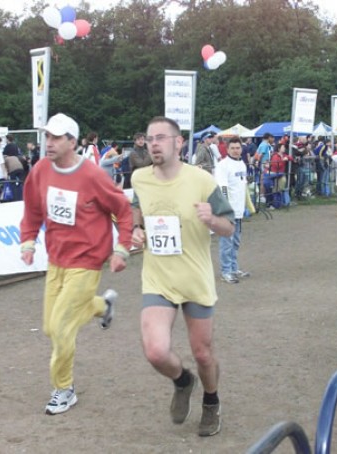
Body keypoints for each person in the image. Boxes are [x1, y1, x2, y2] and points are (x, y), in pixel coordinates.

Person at [20, 113, 132, 416]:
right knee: (49, 326)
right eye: (47, 136)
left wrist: (122, 249)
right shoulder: (41, 170)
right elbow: (32, 209)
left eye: (56, 138)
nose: (49, 143)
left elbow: (123, 209)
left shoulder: (92, 175)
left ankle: (64, 388)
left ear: (72, 142)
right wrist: (28, 241)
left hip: (87, 261)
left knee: (61, 327)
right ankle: (102, 306)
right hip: (56, 259)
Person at [130, 116, 234, 437]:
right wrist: (136, 228)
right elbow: (137, 208)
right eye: (150, 139)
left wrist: (212, 220)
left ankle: (211, 401)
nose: (154, 144)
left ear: (179, 142)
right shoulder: (139, 178)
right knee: (155, 351)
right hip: (158, 279)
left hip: (194, 279)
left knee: (203, 353)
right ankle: (183, 380)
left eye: (161, 138)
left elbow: (229, 227)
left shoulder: (201, 180)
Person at [215, 136, 250, 284]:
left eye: (238, 148)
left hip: (239, 210)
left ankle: (234, 268)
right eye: (233, 148)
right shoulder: (223, 165)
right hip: (228, 211)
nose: (236, 151)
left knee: (236, 241)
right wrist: (225, 208)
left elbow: (243, 186)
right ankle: (226, 271)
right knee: (226, 242)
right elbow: (222, 188)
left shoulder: (242, 164)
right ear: (227, 149)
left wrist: (247, 205)